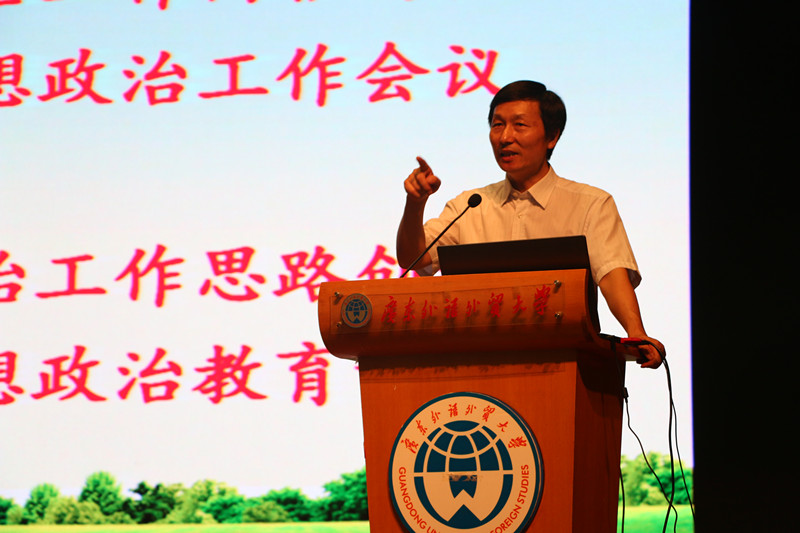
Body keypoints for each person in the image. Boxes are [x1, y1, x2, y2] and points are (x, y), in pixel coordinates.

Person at [396, 80, 664, 368]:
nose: (505, 137)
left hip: (565, 364)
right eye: (497, 125)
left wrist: (636, 332)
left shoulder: (589, 204)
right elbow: (414, 259)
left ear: (552, 136)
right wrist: (415, 203)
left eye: (519, 125)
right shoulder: (470, 205)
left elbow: (611, 274)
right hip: (477, 365)